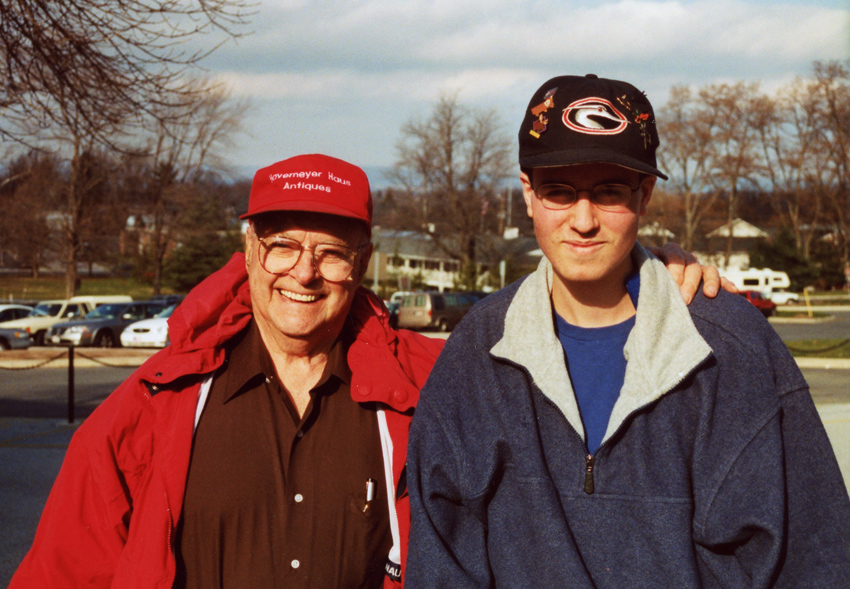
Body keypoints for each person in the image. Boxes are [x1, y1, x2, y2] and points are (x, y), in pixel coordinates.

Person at [10, 153, 722, 588]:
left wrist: (648, 273)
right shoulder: (158, 403)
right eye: (283, 245)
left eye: (333, 251)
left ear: (366, 260)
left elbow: (560, 348)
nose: (305, 272)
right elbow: (66, 572)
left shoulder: (432, 386)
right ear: (249, 247)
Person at [405, 74, 850, 588]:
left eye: (609, 192)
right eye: (559, 192)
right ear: (527, 194)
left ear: (645, 196)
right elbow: (439, 559)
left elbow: (816, 557)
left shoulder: (728, 346)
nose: (584, 219)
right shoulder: (476, 353)